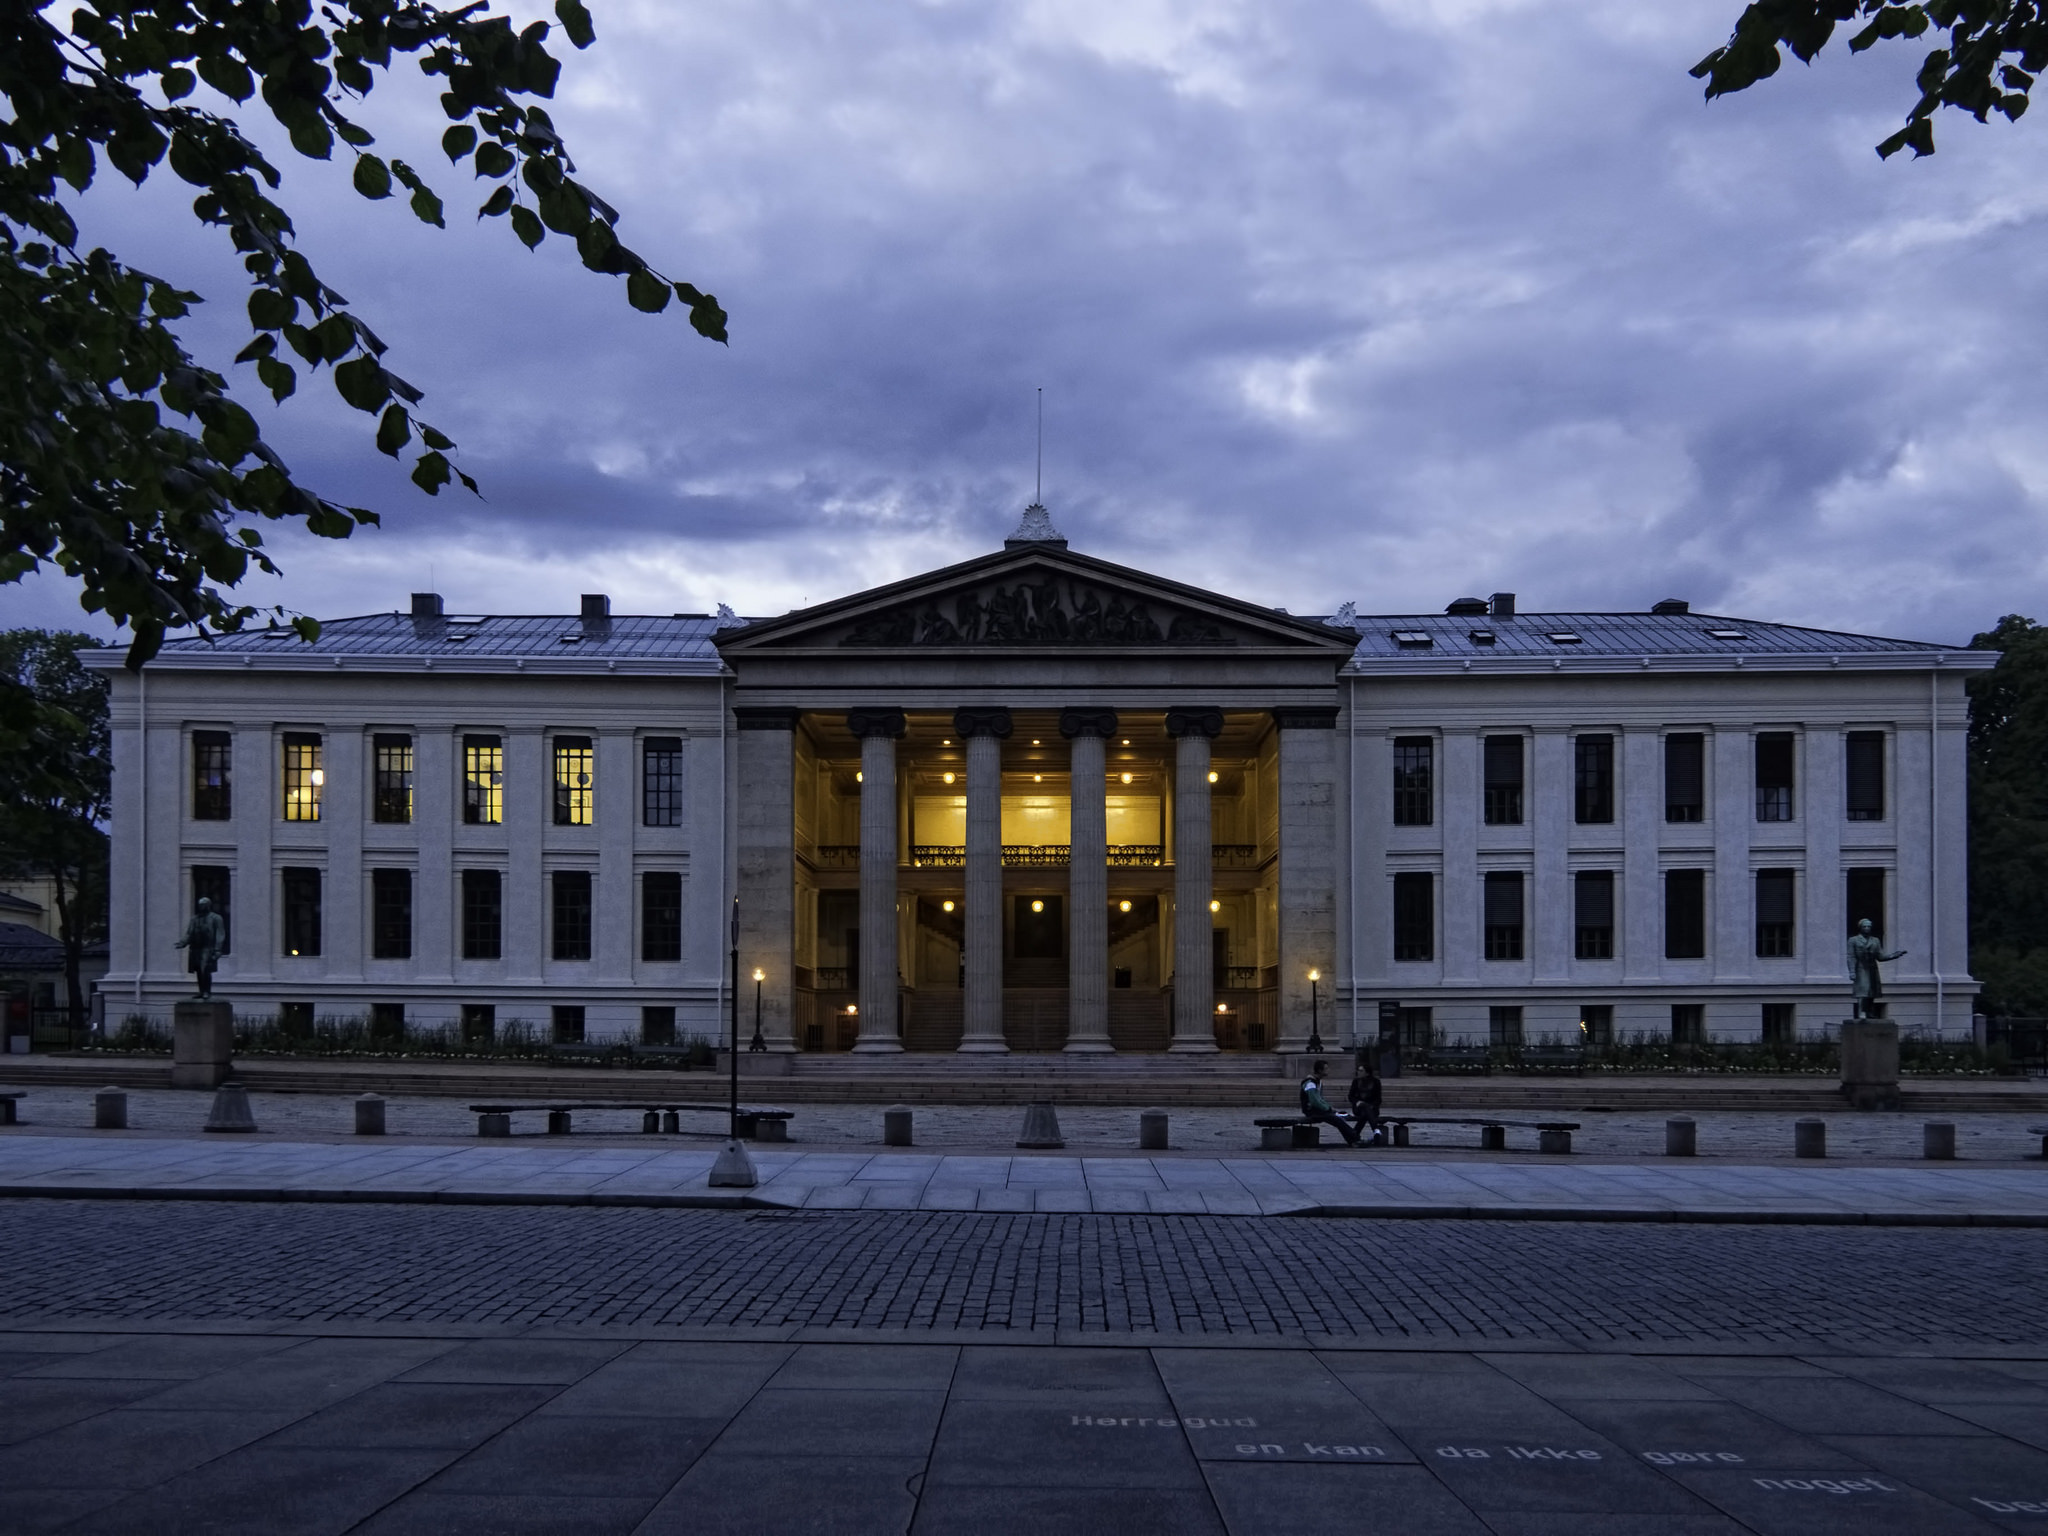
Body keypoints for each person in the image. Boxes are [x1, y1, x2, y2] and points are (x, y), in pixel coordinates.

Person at [1299, 1059, 1363, 1146]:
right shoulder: (1310, 1083)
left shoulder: (1318, 1082)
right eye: (1326, 1068)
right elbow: (1314, 1101)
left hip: (1318, 1110)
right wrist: (1327, 1108)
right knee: (1336, 1119)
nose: (1328, 1070)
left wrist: (1329, 1107)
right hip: (1312, 1111)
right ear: (1319, 1070)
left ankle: (1353, 1141)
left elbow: (1320, 1099)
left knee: (1338, 1118)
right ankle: (1356, 1138)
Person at [1348, 1054, 1385, 1146]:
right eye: (1358, 1070)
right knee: (1364, 1109)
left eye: (1361, 1071)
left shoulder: (1376, 1082)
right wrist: (1357, 1102)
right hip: (1358, 1108)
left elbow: (1378, 1098)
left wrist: (1372, 1105)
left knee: (1366, 1112)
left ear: (1367, 1073)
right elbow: (1350, 1096)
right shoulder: (1356, 1082)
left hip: (1372, 1108)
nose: (1358, 1072)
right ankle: (1375, 1130)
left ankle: (1354, 1135)